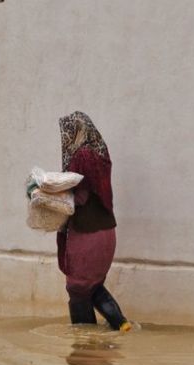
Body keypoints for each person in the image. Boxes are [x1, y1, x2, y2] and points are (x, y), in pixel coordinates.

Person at [56, 111, 131, 332]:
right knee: (93, 284)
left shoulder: (82, 156)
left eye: (69, 133)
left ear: (77, 132)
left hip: (87, 232)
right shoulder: (100, 154)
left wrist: (51, 196)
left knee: (77, 288)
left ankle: (84, 342)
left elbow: (80, 196)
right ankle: (121, 324)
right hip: (106, 232)